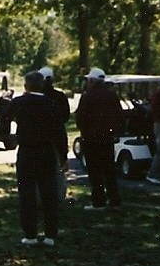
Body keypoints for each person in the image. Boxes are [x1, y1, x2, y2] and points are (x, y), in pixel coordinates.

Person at [11, 70, 63, 246]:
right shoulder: (52, 104)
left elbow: (4, 118)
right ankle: (50, 234)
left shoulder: (19, 102)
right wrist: (62, 156)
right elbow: (60, 132)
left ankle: (30, 234)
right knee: (49, 193)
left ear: (26, 86)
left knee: (27, 194)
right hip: (47, 152)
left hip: (26, 151)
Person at [74, 68, 124, 210]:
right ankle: (115, 200)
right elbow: (119, 116)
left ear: (92, 81)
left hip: (91, 138)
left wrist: (84, 131)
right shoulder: (112, 95)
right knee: (109, 170)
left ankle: (99, 201)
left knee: (95, 171)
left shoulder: (87, 96)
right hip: (107, 138)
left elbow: (81, 118)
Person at [39, 66, 72, 202]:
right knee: (58, 169)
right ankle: (59, 197)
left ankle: (40, 198)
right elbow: (66, 116)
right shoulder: (60, 96)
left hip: (41, 137)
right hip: (57, 136)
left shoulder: (37, 97)